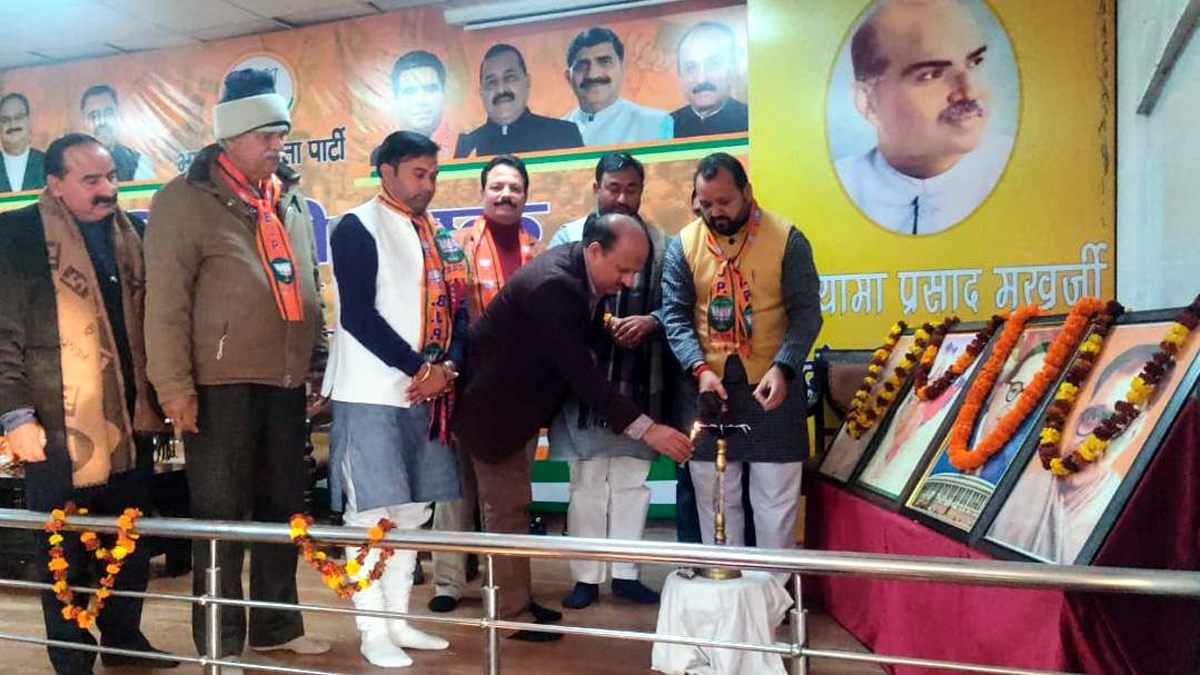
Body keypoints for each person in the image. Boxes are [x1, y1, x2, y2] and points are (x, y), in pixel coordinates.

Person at [144, 69, 329, 668]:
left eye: (281, 134)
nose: (278, 146)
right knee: (221, 518)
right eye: (265, 136)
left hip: (283, 382)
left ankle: (276, 627)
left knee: (284, 511)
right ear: (229, 139)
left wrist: (316, 360)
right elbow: (165, 304)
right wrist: (174, 388)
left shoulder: (288, 198)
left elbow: (307, 286)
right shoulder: (183, 200)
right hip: (216, 387)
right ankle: (219, 643)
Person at [451, 212, 692, 641]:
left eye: (636, 271)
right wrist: (648, 429)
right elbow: (583, 375)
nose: (630, 282)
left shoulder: (576, 267)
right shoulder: (555, 284)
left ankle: (519, 603)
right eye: (623, 269)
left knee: (515, 509)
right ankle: (510, 617)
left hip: (518, 410)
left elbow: (579, 340)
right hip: (493, 414)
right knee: (505, 512)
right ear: (595, 249)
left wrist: (605, 333)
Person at [0, 133, 177, 674]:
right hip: (55, 423)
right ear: (54, 183)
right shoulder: (16, 235)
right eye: (92, 180)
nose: (108, 191)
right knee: (64, 547)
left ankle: (125, 641)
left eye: (112, 178)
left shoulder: (135, 234)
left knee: (130, 540)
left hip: (131, 420)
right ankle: (73, 655)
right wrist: (16, 416)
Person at [322, 130, 462, 667]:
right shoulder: (358, 225)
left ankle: (399, 621)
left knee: (412, 511)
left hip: (426, 393)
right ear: (387, 171)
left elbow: (461, 310)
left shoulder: (438, 232)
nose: (428, 185)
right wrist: (420, 368)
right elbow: (357, 315)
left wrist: (447, 370)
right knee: (370, 513)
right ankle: (371, 629)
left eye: (433, 175)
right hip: (371, 392)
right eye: (417, 174)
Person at [661, 153, 822, 558]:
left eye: (725, 201)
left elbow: (807, 313)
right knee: (716, 504)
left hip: (773, 390)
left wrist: (784, 366)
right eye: (706, 203)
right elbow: (675, 316)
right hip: (707, 391)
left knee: (775, 509)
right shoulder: (684, 245)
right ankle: (724, 592)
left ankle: (773, 600)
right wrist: (699, 369)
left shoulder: (788, 239)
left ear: (747, 193)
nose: (715, 212)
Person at [547, 152, 669, 609]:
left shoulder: (662, 242)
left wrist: (649, 321)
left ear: (642, 190)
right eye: (612, 187)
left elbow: (675, 307)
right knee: (587, 482)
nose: (621, 196)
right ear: (595, 186)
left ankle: (627, 572)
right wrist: (600, 326)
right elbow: (554, 304)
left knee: (633, 482)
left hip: (641, 379)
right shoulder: (569, 238)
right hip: (583, 385)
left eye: (630, 188)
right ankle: (586, 576)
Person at [427, 154, 542, 614]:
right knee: (455, 490)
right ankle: (448, 582)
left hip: (518, 393)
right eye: (497, 186)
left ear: (526, 196)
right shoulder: (457, 246)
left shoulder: (537, 248)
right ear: (482, 193)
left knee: (511, 495)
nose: (506, 194)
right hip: (463, 385)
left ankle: (503, 588)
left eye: (514, 187)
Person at [834, 0, 1013, 235]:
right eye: (932, 74)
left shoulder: (1020, 173)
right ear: (867, 101)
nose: (969, 91)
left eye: (975, 63)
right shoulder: (837, 188)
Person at [989, 342, 1167, 564]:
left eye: (1117, 426)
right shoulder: (1020, 490)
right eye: (1093, 417)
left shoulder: (1123, 519)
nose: (1091, 444)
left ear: (1134, 433)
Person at [455, 44, 583, 158]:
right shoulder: (467, 146)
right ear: (481, 91)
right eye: (491, 82)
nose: (501, 89)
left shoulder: (562, 134)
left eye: (510, 77)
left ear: (527, 82)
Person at [563, 27, 674, 146]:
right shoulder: (555, 133)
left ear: (623, 69)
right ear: (569, 78)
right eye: (582, 66)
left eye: (605, 62)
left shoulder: (657, 123)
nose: (593, 74)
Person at [670, 22, 749, 138]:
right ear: (680, 75)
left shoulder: (755, 120)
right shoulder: (664, 127)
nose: (702, 79)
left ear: (733, 68)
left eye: (714, 64)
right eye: (691, 68)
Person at [79, 85, 155, 182]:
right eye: (94, 116)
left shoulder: (139, 163)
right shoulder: (71, 165)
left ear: (118, 116)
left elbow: (144, 197)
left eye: (108, 113)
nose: (102, 122)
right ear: (84, 122)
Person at [391, 50, 456, 156]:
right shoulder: (383, 154)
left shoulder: (468, 145)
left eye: (430, 89)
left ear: (444, 94)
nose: (421, 100)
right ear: (396, 99)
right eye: (409, 91)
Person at [0, 93, 45, 192]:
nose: (12, 124)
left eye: (18, 117)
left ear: (29, 121)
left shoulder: (48, 163)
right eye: (5, 120)